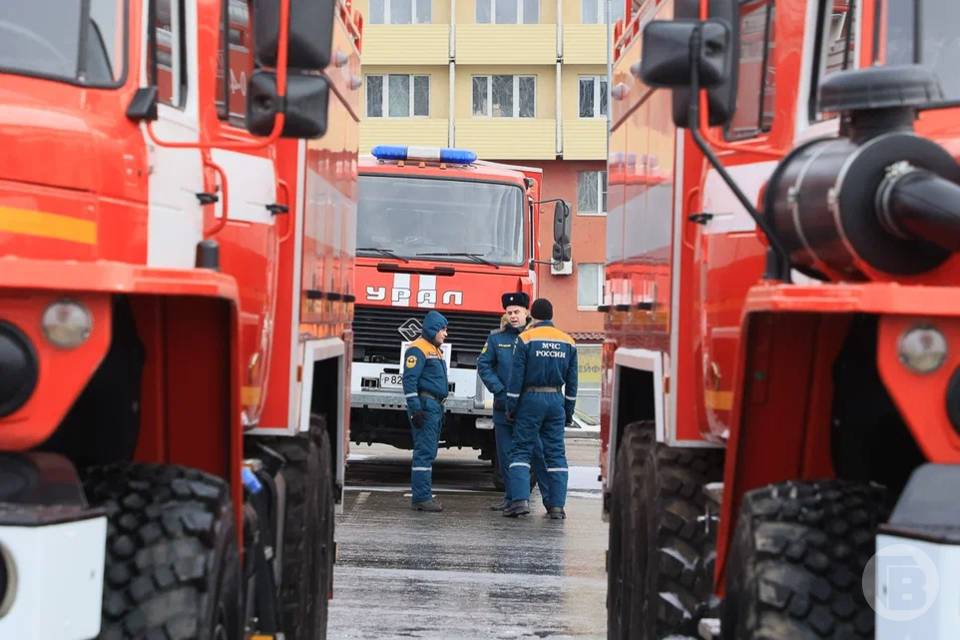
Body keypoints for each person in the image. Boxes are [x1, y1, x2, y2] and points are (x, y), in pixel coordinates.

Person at [503, 298, 578, 519]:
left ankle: (519, 501)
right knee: (556, 454)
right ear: (551, 315)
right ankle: (556, 506)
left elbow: (515, 378)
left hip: (530, 399)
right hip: (555, 399)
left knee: (521, 451)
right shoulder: (568, 341)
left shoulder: (525, 338)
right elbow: (573, 382)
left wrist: (511, 407)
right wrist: (568, 410)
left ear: (532, 315)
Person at [477, 291, 551, 512]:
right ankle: (512, 498)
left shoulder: (536, 336)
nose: (513, 316)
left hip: (530, 406)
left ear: (527, 312)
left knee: (538, 454)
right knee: (506, 455)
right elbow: (484, 365)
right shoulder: (496, 338)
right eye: (509, 313)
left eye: (517, 312)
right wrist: (499, 390)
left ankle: (551, 502)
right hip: (503, 406)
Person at [402, 310, 449, 512]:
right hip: (426, 406)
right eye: (443, 329)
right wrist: (415, 410)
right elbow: (409, 380)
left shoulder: (433, 349)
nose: (445, 334)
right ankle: (421, 498)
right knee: (424, 453)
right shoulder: (418, 349)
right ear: (432, 329)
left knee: (428, 452)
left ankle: (424, 495)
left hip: (434, 406)